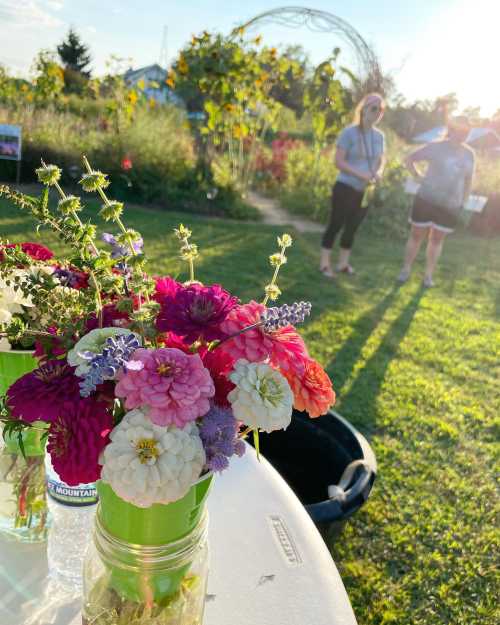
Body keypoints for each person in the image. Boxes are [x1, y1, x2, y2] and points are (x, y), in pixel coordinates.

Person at [398, 116, 475, 287]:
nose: (462, 134)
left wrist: (463, 201)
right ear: (451, 129)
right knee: (416, 235)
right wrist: (417, 176)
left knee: (437, 240)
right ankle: (405, 270)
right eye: (459, 130)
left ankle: (428, 276)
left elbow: (469, 180)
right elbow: (409, 159)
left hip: (450, 206)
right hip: (426, 199)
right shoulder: (436, 147)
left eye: (466, 131)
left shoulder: (470, 154)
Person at [319, 93, 386, 278]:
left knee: (352, 227)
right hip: (345, 187)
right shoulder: (349, 133)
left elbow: (381, 160)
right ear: (363, 109)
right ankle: (324, 264)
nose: (377, 112)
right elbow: (338, 162)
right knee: (336, 224)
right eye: (374, 108)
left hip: (365, 191)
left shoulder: (380, 136)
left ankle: (343, 264)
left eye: (381, 109)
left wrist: (378, 173)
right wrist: (361, 174)